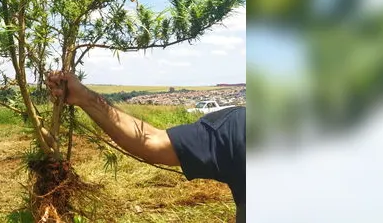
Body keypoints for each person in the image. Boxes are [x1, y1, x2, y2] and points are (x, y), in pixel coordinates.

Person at [46, 71, 245, 223]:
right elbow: (151, 142)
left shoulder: (237, 125)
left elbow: (151, 142)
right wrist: (85, 98)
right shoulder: (237, 127)